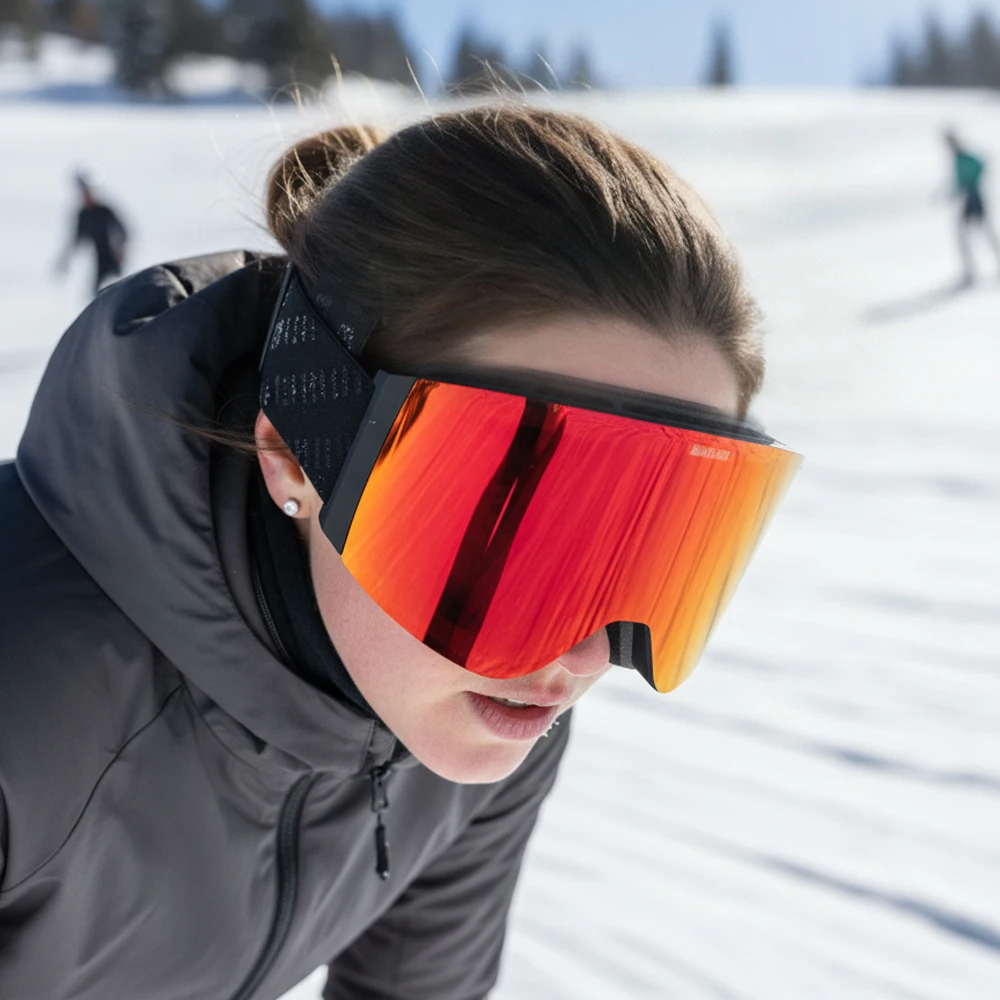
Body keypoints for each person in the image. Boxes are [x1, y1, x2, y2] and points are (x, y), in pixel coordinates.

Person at [0, 107, 800, 999]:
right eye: (511, 537)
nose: (581, 656)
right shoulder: (25, 705)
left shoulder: (484, 712)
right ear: (292, 454)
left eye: (654, 551)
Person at [55, 170, 128, 297]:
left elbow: (123, 232)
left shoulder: (105, 211)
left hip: (113, 259)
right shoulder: (84, 215)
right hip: (98, 260)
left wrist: (120, 250)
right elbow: (76, 240)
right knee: (95, 293)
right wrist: (65, 260)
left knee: (117, 289)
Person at [943, 129, 1000, 285]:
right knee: (964, 235)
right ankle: (969, 269)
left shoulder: (965, 156)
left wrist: (973, 182)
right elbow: (959, 180)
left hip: (975, 199)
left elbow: (982, 165)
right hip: (968, 200)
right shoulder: (956, 159)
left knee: (985, 233)